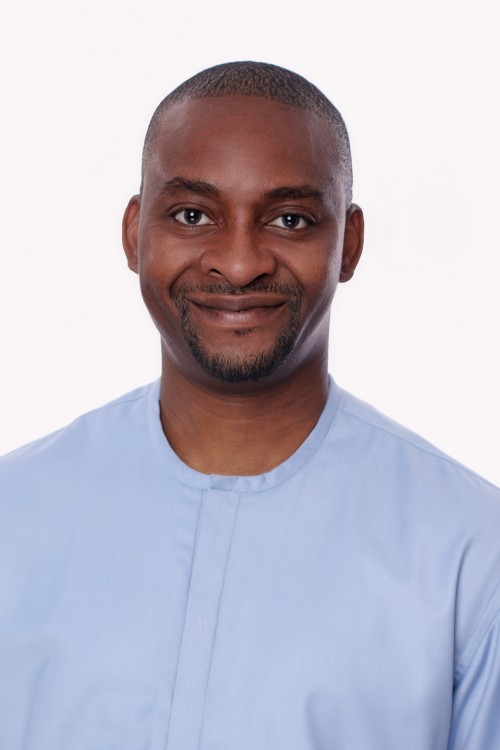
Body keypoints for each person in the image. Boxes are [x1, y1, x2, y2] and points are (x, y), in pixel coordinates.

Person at [0, 61, 499, 750]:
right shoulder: (12, 515)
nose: (239, 264)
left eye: (290, 219)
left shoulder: (471, 548)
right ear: (134, 233)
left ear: (348, 244)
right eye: (193, 215)